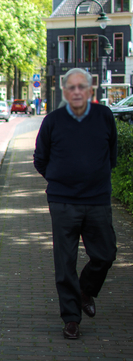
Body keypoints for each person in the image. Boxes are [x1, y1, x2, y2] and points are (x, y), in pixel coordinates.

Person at [33, 68, 118, 340]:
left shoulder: (105, 117)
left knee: (105, 254)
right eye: (72, 87)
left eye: (82, 86)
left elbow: (111, 156)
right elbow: (40, 159)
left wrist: (92, 178)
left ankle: (85, 291)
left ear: (90, 90)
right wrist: (61, 181)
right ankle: (71, 318)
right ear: (65, 91)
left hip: (97, 200)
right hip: (63, 202)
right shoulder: (53, 121)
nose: (77, 91)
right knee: (65, 261)